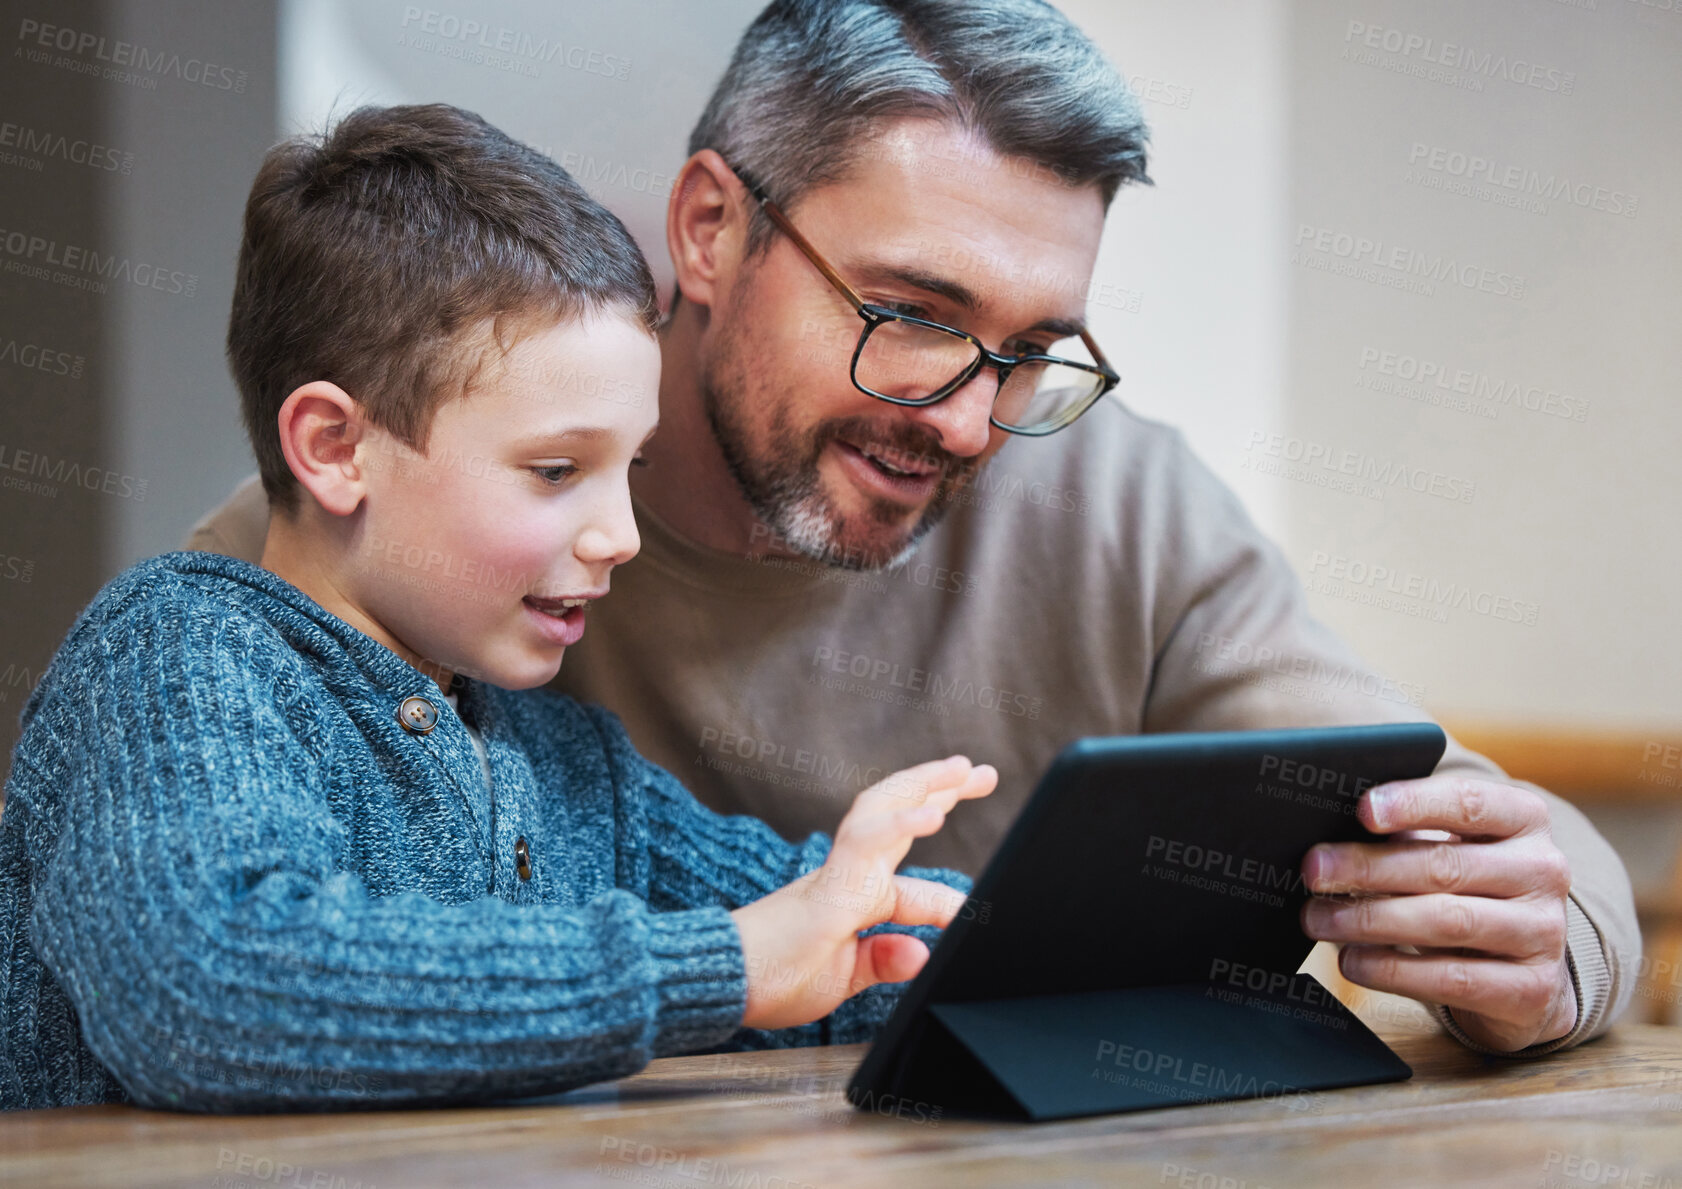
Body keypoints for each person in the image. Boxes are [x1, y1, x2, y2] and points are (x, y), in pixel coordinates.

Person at [190, 0, 1638, 1058]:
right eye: (914, 318)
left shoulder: (1115, 505)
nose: (964, 418)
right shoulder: (380, 545)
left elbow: (1489, 823)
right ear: (709, 229)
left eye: (1026, 352)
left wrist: (1539, 946)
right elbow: (195, 956)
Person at [0, 103, 999, 1113]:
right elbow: (206, 991)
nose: (620, 535)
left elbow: (826, 934)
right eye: (556, 468)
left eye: (627, 468)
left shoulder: (569, 771)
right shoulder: (177, 655)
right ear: (336, 447)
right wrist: (721, 963)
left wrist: (1037, 932)